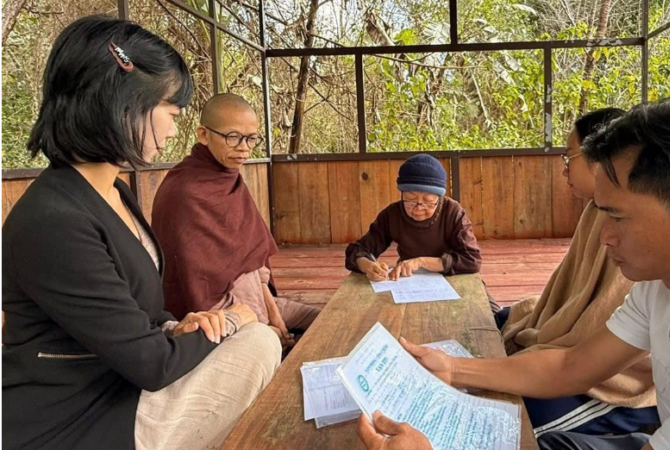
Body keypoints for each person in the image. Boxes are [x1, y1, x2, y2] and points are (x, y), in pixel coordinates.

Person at [359, 97, 670, 450]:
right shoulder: (668, 284)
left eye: (618, 217)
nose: (605, 237)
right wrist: (453, 368)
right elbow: (573, 366)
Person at [1, 16, 282, 450]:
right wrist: (231, 319)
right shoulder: (53, 221)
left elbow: (140, 317)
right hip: (74, 417)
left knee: (257, 339)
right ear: (124, 103)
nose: (173, 129)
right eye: (170, 112)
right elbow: (152, 364)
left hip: (123, 381)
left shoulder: (114, 191)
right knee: (257, 341)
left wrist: (177, 326)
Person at [496, 109, 659, 436]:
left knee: (512, 421)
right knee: (502, 320)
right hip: (582, 361)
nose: (564, 169)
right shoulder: (596, 211)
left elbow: (600, 336)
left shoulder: (641, 224)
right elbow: (575, 292)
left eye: (568, 157)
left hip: (623, 383)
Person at [152, 94, 319, 348]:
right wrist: (265, 328)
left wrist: (272, 312)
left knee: (325, 318)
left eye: (251, 139)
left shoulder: (229, 178)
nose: (244, 148)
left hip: (257, 299)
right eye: (233, 137)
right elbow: (198, 291)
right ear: (203, 134)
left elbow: (254, 262)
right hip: (221, 317)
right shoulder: (184, 192)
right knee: (274, 345)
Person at [345, 154, 499, 312]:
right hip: (410, 281)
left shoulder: (453, 212)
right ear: (402, 195)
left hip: (455, 277)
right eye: (410, 200)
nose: (418, 208)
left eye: (428, 201)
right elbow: (358, 250)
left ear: (439, 198)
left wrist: (421, 262)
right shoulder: (392, 214)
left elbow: (472, 260)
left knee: (493, 316)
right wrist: (367, 266)